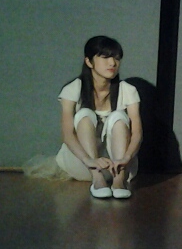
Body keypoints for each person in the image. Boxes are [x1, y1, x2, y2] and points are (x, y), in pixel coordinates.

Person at [54, 36, 142, 199]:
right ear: (89, 61)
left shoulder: (127, 90)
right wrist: (89, 161)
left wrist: (126, 158)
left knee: (118, 116)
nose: (112, 63)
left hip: (118, 164)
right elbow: (67, 135)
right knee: (84, 114)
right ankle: (97, 178)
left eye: (116, 58)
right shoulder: (73, 89)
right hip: (83, 162)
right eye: (105, 57)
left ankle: (119, 180)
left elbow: (137, 133)